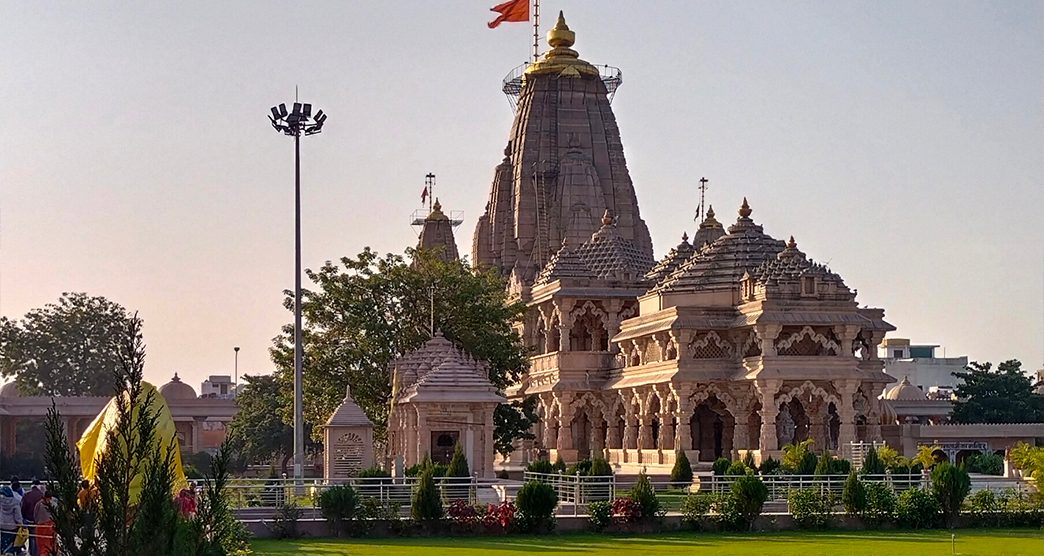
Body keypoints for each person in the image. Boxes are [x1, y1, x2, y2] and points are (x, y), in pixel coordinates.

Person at [19, 482, 43, 556]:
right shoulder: (42, 495)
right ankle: (38, 552)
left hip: (29, 520)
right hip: (39, 520)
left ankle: (32, 552)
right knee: (38, 538)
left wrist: (24, 517)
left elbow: (23, 508)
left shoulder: (26, 495)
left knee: (31, 537)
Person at [0, 486, 23, 554]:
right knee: (12, 543)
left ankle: (3, 551)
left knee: (4, 541)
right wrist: (21, 524)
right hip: (12, 527)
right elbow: (17, 516)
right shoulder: (15, 502)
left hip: (2, 525)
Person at [32, 492, 54, 556]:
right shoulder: (53, 503)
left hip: (41, 526)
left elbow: (35, 515)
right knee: (52, 542)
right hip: (51, 525)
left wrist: (37, 522)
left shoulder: (39, 504)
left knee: (42, 544)